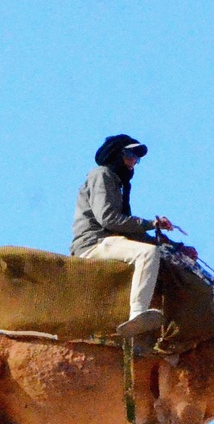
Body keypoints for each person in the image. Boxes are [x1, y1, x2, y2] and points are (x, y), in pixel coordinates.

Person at [72, 133, 182, 337]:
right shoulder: (101, 175)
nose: (133, 162)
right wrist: (151, 224)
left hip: (110, 241)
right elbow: (108, 219)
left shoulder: (117, 182)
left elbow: (125, 228)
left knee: (157, 251)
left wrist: (173, 246)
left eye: (136, 158)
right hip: (95, 243)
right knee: (147, 254)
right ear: (116, 154)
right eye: (129, 155)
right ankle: (137, 314)